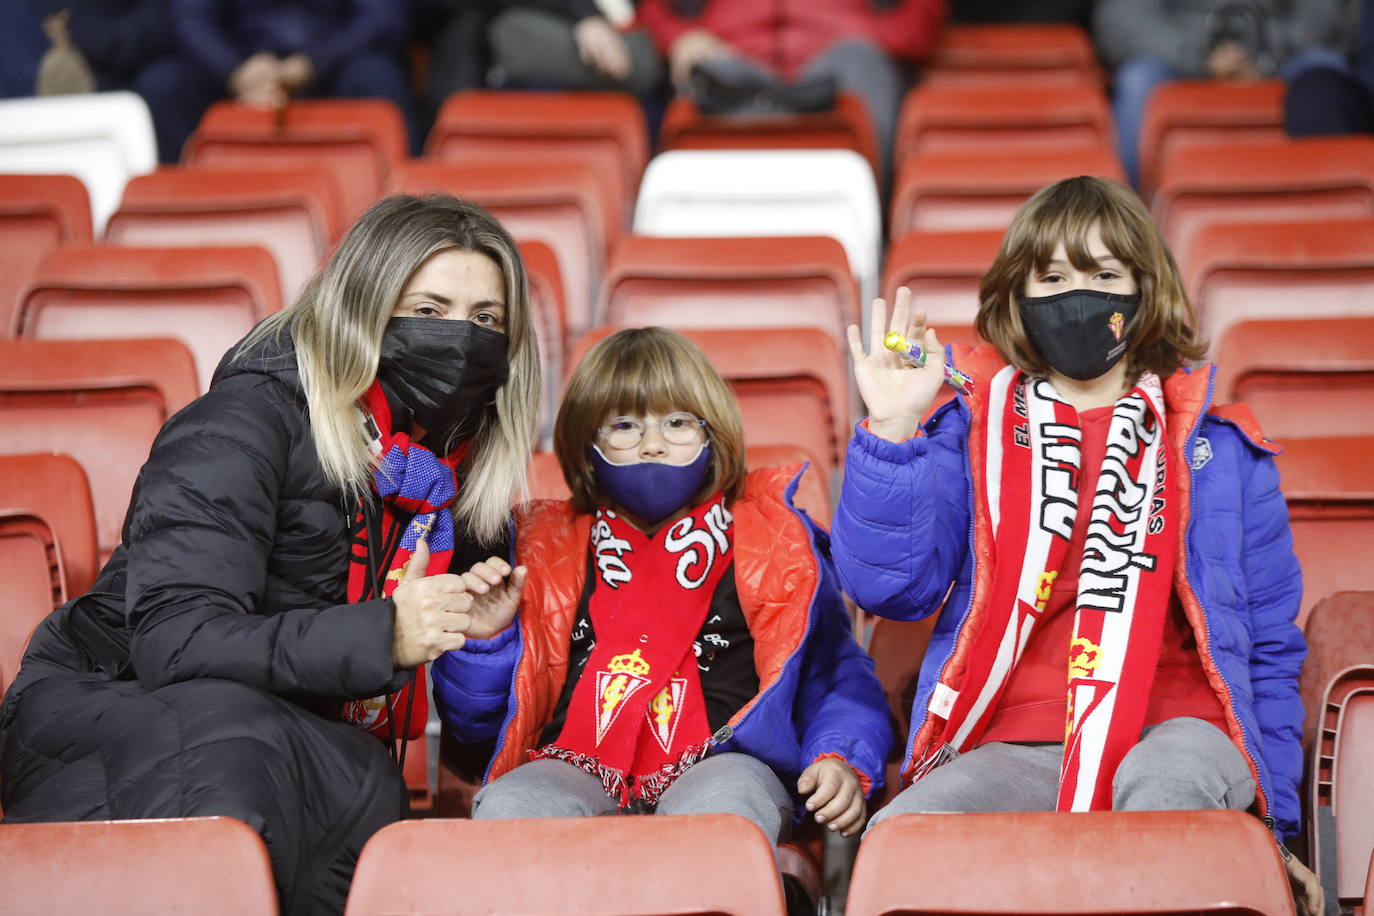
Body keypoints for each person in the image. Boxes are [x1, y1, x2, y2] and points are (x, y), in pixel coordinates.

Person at [0, 194, 542, 915]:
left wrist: (482, 644)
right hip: (114, 701)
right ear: (361, 309)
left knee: (360, 781)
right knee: (251, 746)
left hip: (286, 737)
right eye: (429, 311)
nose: (459, 340)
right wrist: (387, 634)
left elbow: (472, 747)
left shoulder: (455, 472)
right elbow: (173, 638)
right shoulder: (245, 420)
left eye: (485, 321)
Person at [832, 176, 1322, 915]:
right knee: (905, 841)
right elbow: (885, 589)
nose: (1077, 296)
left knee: (1168, 816)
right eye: (1053, 277)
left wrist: (1280, 836)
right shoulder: (970, 431)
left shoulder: (1220, 449)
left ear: (1144, 292)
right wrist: (894, 433)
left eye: (1102, 276)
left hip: (1177, 731)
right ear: (1017, 299)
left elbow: (1270, 653)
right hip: (1015, 738)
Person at [431, 328, 889, 881]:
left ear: (712, 434)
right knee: (512, 805)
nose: (653, 443)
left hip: (722, 763)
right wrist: (485, 644)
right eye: (625, 425)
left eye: (676, 422)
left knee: (730, 806)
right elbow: (475, 735)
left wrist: (840, 755)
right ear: (586, 444)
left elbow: (835, 677)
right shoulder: (534, 547)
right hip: (568, 763)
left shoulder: (778, 542)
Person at [635, 0, 947, 188]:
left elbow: (923, 18)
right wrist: (681, 38)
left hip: (839, 72)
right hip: (735, 67)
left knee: (860, 61)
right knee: (705, 67)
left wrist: (868, 36)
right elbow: (648, 13)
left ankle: (874, 224)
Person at [1093, 0, 1350, 186]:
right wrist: (1201, 56)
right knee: (1138, 79)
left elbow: (1323, 13)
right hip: (1178, 58)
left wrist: (1261, 55)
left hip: (1279, 56)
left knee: (1325, 70)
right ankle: (1134, 214)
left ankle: (1335, 201)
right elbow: (1121, 17)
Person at [140, 0, 417, 162]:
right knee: (164, 85)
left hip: (332, 66)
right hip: (237, 68)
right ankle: (187, 204)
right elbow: (189, 19)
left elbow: (383, 18)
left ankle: (397, 207)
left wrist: (313, 64)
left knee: (379, 76)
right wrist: (235, 71)